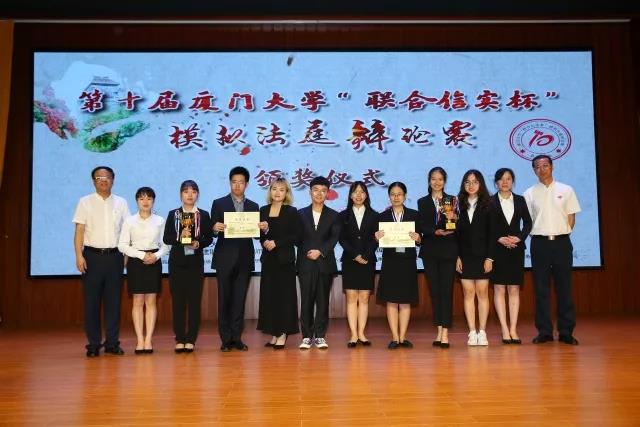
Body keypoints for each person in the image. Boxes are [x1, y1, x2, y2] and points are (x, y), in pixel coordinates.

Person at [73, 166, 130, 357]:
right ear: (93, 181)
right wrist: (79, 255)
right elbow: (79, 231)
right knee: (92, 303)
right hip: (92, 257)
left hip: (115, 257)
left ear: (113, 180)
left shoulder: (121, 202)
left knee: (114, 303)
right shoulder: (85, 202)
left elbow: (126, 231)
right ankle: (94, 344)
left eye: (107, 177)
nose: (103, 180)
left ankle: (112, 343)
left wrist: (126, 255)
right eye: (99, 177)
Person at [524, 155, 581, 345]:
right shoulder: (529, 193)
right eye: (537, 167)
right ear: (534, 170)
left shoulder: (566, 190)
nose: (542, 169)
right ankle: (544, 331)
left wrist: (561, 233)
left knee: (564, 288)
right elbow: (527, 221)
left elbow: (571, 218)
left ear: (552, 167)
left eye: (545, 165)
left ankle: (566, 331)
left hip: (562, 243)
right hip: (539, 244)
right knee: (541, 289)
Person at [210, 166, 259, 352]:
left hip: (245, 259)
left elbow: (256, 235)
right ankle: (225, 339)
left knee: (239, 300)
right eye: (234, 182)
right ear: (230, 183)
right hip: (224, 258)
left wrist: (262, 227)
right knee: (224, 299)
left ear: (247, 184)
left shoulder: (254, 206)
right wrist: (215, 228)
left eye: (241, 182)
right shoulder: (219, 203)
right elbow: (212, 230)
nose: (237, 185)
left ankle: (237, 337)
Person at [118, 187, 169, 354]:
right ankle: (140, 340)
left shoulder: (160, 220)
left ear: (153, 201)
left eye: (149, 198)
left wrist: (155, 256)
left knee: (151, 301)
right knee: (138, 301)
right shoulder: (129, 221)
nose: (145, 202)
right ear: (137, 201)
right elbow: (122, 245)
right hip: (135, 261)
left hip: (154, 261)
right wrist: (141, 255)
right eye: (141, 198)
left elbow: (166, 245)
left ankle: (148, 340)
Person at [163, 180, 213, 353]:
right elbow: (166, 238)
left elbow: (209, 238)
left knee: (194, 303)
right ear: (180, 195)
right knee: (178, 303)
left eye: (193, 191)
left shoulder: (203, 215)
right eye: (186, 191)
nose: (190, 195)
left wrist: (199, 243)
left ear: (197, 194)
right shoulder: (173, 214)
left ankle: (191, 339)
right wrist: (180, 238)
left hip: (195, 264)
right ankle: (179, 338)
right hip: (177, 264)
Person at [375, 182, 421, 350]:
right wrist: (376, 237)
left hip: (408, 261)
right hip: (390, 262)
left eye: (399, 194)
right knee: (392, 301)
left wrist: (418, 238)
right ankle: (395, 338)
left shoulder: (414, 215)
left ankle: (403, 337)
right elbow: (377, 242)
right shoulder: (382, 217)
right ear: (389, 196)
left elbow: (421, 239)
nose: (396, 197)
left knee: (406, 301)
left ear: (405, 196)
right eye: (393, 194)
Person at [489, 168, 532, 345]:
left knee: (514, 289)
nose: (505, 182)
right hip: (497, 249)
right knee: (499, 289)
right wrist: (499, 238)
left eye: (508, 179)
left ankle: (513, 329)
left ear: (513, 181)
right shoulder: (489, 202)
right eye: (501, 179)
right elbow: (487, 226)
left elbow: (528, 223)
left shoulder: (520, 200)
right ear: (496, 182)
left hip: (516, 249)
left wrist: (519, 238)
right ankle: (504, 330)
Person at [297, 176, 340, 350]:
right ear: (310, 192)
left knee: (323, 301)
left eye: (323, 191)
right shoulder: (300, 214)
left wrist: (320, 251)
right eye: (316, 190)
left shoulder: (334, 215)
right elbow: (296, 238)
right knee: (306, 300)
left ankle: (320, 335)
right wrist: (310, 250)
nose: (319, 193)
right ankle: (306, 336)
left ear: (327, 193)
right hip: (305, 262)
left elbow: (334, 238)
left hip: (324, 263)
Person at [257, 178, 300, 350]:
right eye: (274, 189)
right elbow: (259, 235)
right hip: (268, 260)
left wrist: (277, 242)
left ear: (286, 193)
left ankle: (283, 333)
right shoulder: (263, 210)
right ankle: (274, 332)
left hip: (285, 260)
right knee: (270, 297)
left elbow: (295, 236)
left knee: (284, 297)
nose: (277, 192)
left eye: (281, 190)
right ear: (270, 191)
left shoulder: (291, 211)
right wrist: (265, 238)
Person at [417, 167, 458, 349]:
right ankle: (439, 329)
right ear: (429, 181)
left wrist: (452, 219)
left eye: (440, 179)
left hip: (448, 251)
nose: (437, 182)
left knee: (446, 291)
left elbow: (453, 227)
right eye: (433, 179)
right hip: (430, 251)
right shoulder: (422, 201)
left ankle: (445, 333)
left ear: (444, 181)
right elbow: (422, 226)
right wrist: (434, 231)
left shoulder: (451, 200)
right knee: (435, 292)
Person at [339, 181, 378, 348]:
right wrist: (355, 255)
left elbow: (376, 239)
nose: (359, 195)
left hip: (368, 261)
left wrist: (365, 255)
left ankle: (362, 333)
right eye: (355, 192)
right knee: (351, 298)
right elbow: (341, 239)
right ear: (350, 195)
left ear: (366, 195)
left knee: (364, 298)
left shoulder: (375, 215)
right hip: (350, 261)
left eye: (362, 192)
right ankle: (353, 334)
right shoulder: (343, 215)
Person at [456, 170, 493, 346]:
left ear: (481, 184)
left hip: (483, 256)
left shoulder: (489, 204)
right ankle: (472, 332)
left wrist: (490, 258)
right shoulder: (457, 205)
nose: (471, 185)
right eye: (467, 182)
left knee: (482, 293)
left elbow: (493, 234)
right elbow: (454, 234)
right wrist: (457, 256)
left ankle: (482, 332)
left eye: (475, 182)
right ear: (463, 185)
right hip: (464, 256)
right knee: (468, 293)